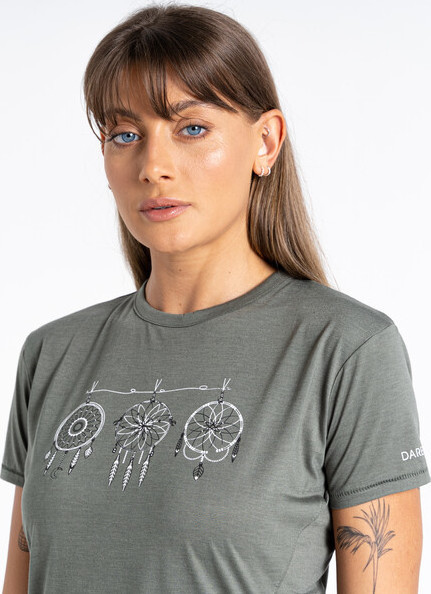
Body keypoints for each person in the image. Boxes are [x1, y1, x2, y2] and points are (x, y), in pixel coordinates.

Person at [1, 3, 429, 593]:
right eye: (125, 134)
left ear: (266, 142)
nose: (154, 166)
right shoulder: (53, 354)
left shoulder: (347, 352)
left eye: (192, 128)